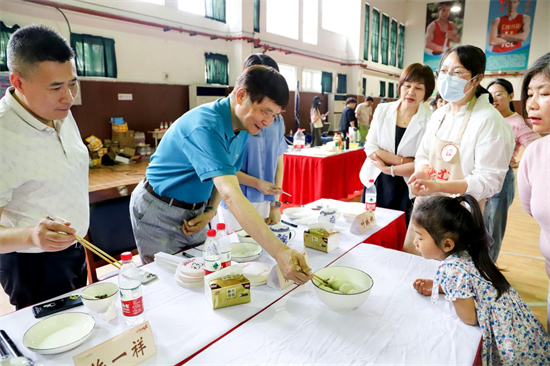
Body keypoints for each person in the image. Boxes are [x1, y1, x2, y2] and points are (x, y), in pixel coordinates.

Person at [130, 65, 312, 284]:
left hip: (195, 212)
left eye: (275, 115)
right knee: (167, 283)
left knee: (201, 278)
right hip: (159, 209)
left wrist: (210, 209)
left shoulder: (243, 127)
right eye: (266, 111)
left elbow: (226, 174)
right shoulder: (205, 125)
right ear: (242, 95)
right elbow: (230, 194)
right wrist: (280, 251)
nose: (268, 122)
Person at [0, 25, 88, 309]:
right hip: (31, 263)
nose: (68, 97)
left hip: (74, 250)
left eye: (72, 83)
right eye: (55, 88)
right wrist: (31, 235)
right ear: (19, 82)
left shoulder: (58, 110)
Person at [411, 195, 550, 365]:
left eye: (419, 237)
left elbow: (469, 318)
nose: (415, 242)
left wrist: (451, 290)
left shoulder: (452, 269)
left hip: (510, 345)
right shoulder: (467, 252)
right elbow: (472, 286)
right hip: (524, 332)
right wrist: (441, 287)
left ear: (447, 245)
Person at [405, 45, 514, 254]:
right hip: (428, 206)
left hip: (461, 215)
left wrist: (440, 186)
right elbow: (423, 155)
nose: (447, 78)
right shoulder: (440, 114)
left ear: (477, 78)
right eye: (444, 71)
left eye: (456, 73)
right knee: (418, 264)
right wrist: (422, 170)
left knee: (453, 275)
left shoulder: (489, 120)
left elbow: (488, 181)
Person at [219, 54, 288, 232]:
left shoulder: (277, 121)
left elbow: (278, 161)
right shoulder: (234, 120)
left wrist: (275, 204)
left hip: (265, 200)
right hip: (235, 199)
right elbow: (223, 169)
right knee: (238, 252)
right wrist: (257, 183)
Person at [360, 63, 434, 225]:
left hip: (406, 185)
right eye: (407, 86)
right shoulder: (383, 110)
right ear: (400, 87)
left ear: (426, 93)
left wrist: (390, 168)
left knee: (399, 232)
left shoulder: (430, 120)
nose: (411, 92)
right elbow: (371, 147)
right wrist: (402, 161)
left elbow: (422, 163)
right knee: (370, 228)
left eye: (418, 88)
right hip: (376, 179)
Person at [484, 78, 540, 261]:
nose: (495, 99)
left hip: (501, 179)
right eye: (491, 95)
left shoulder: (518, 122)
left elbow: (537, 149)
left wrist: (519, 162)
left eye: (499, 94)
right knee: (478, 225)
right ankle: (475, 266)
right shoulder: (484, 118)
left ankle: (488, 269)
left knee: (494, 229)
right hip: (480, 175)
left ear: (511, 96)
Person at [518, 51, 550, 331]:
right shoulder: (536, 153)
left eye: (545, 93)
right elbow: (533, 208)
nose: (532, 104)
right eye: (529, 94)